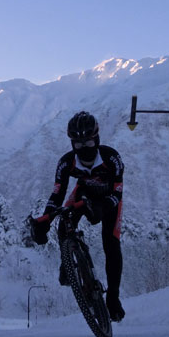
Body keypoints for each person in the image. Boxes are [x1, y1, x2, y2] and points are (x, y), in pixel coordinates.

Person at [31, 111, 125, 322]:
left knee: (111, 244)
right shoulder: (66, 163)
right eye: (79, 144)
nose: (85, 148)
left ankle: (113, 298)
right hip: (83, 195)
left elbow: (118, 191)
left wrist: (104, 206)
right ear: (72, 143)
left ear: (97, 139)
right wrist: (45, 221)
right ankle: (67, 262)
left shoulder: (112, 158)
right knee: (64, 220)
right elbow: (57, 193)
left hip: (109, 198)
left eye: (89, 142)